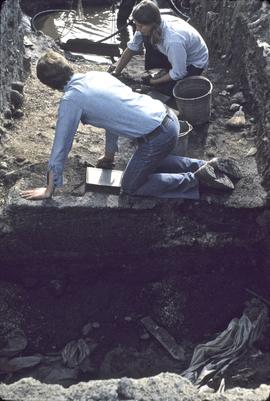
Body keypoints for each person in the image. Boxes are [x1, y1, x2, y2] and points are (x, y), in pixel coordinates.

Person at [21, 50, 234, 201]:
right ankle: (204, 166)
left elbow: (61, 146)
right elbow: (111, 119)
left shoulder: (71, 99)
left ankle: (195, 180)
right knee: (145, 164)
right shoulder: (96, 75)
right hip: (169, 119)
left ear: (50, 84)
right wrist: (109, 155)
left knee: (131, 186)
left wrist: (50, 188)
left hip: (157, 137)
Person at [110, 0, 208, 96]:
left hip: (194, 63)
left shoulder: (173, 40)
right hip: (178, 51)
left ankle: (162, 77)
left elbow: (179, 73)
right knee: (146, 38)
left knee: (169, 90)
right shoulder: (149, 25)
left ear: (152, 23)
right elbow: (132, 48)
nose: (137, 29)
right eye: (136, 25)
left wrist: (153, 82)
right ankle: (162, 70)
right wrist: (116, 72)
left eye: (140, 26)